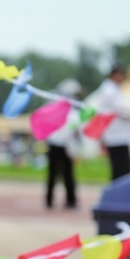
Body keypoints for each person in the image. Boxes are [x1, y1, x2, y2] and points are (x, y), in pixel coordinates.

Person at [45, 80, 83, 209]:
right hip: (62, 145)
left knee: (56, 174)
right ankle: (68, 200)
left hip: (55, 144)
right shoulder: (71, 111)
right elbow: (72, 133)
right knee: (64, 175)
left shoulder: (54, 106)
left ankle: (50, 200)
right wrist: (74, 151)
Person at [96, 64, 130, 181]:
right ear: (115, 75)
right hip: (116, 136)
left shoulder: (112, 89)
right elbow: (122, 111)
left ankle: (120, 195)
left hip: (117, 135)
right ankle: (119, 196)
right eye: (122, 76)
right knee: (122, 169)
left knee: (121, 169)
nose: (124, 79)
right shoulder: (109, 91)